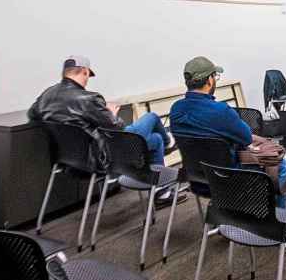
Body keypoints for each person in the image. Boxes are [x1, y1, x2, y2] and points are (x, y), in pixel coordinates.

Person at [28, 55, 180, 207]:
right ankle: (169, 142)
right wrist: (111, 112)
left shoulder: (47, 95)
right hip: (104, 159)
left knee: (155, 140)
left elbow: (33, 114)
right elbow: (118, 128)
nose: (87, 80)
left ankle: (162, 192)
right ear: (85, 72)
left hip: (69, 159)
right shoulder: (88, 99)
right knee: (151, 117)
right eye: (87, 75)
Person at [170, 56, 286, 206]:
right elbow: (246, 138)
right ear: (209, 80)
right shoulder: (221, 111)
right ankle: (277, 221)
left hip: (196, 180)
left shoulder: (176, 109)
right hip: (230, 180)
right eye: (215, 76)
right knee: (280, 163)